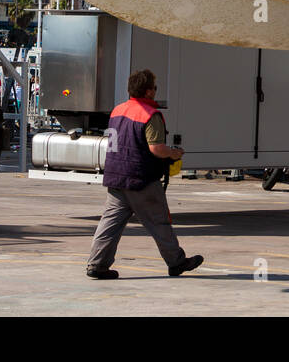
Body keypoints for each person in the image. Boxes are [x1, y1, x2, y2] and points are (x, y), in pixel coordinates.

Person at [85, 69, 203, 279]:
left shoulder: (117, 110)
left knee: (110, 224)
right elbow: (156, 148)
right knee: (159, 222)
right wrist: (174, 153)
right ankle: (176, 262)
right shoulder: (149, 114)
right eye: (155, 88)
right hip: (140, 178)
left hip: (115, 176)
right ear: (148, 91)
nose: (156, 92)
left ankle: (97, 264)